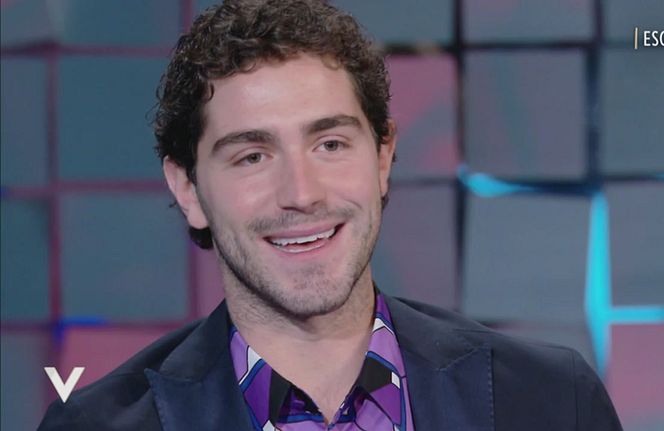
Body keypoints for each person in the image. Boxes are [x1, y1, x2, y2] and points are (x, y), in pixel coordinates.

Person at [39, 0, 623, 429]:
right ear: (188, 188)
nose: (302, 192)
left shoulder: (551, 403)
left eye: (330, 144)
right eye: (252, 156)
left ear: (383, 157)